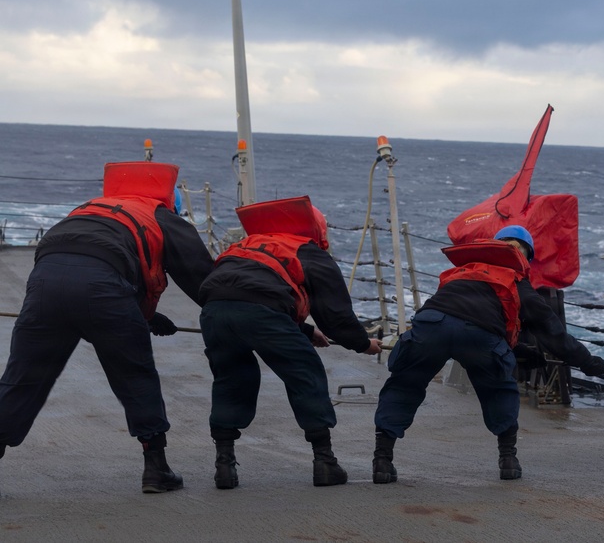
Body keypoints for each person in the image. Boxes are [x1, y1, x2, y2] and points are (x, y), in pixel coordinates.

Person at [0, 161, 215, 494]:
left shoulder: (87, 210)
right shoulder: (162, 217)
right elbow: (207, 284)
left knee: (22, 379)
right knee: (135, 376)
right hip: (104, 291)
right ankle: (156, 470)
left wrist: (143, 315)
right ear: (171, 202)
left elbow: (77, 264)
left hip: (44, 286)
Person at [371, 225, 604, 483]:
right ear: (526, 257)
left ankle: (382, 461)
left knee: (404, 385)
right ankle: (508, 460)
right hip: (480, 337)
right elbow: (553, 333)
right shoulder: (518, 284)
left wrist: (519, 351)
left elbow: (457, 318)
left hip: (431, 326)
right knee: (499, 390)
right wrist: (588, 362)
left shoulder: (463, 272)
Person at [198, 196, 381, 489]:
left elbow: (250, 288)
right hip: (263, 314)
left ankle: (225, 466)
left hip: (215, 310)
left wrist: (307, 333)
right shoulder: (308, 251)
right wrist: (363, 344)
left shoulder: (245, 246)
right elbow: (336, 317)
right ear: (318, 232)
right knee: (305, 375)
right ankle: (325, 463)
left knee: (231, 380)